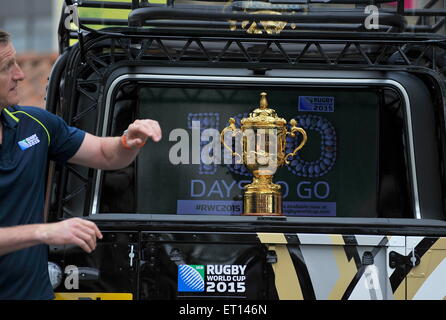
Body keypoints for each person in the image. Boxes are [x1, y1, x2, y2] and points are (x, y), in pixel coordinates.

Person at [0, 29, 162, 300]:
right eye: (7, 67)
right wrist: (45, 231)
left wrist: (128, 141)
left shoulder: (35, 124)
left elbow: (104, 153)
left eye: (16, 62)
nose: (20, 74)